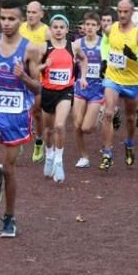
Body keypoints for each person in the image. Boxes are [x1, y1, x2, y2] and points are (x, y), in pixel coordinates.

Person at [0, 0, 43, 238]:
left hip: (17, 116)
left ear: (21, 21)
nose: (6, 23)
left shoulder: (30, 49)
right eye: (2, 18)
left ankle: (9, 218)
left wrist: (23, 76)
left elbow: (37, 88)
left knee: (11, 169)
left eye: (11, 19)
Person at [98, 0, 138, 170]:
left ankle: (129, 144)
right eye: (120, 11)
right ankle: (107, 154)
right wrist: (104, 58)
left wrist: (136, 57)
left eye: (126, 12)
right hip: (113, 78)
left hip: (131, 82)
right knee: (108, 113)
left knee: (130, 118)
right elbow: (104, 41)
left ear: (132, 13)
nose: (122, 15)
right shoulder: (111, 28)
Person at [39, 14, 89, 183]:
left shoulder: (73, 47)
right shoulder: (43, 47)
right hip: (47, 92)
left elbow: (83, 59)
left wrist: (83, 77)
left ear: (67, 29)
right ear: (50, 29)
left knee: (59, 126)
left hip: (66, 91)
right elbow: (32, 66)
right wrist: (43, 66)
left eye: (62, 27)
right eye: (55, 27)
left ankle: (59, 161)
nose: (59, 30)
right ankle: (49, 155)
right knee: (47, 130)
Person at [72, 11, 105, 168]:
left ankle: (100, 114)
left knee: (87, 128)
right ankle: (83, 156)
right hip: (80, 87)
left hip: (97, 90)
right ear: (83, 26)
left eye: (93, 25)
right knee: (77, 125)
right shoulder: (77, 44)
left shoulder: (104, 43)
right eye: (87, 24)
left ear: (98, 27)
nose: (90, 27)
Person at [19, 1, 49, 162]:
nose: (30, 15)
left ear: (41, 14)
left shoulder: (46, 32)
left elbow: (52, 52)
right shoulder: (20, 28)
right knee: (19, 110)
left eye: (34, 12)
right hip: (20, 75)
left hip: (38, 77)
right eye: (29, 12)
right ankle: (18, 140)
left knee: (36, 112)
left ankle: (39, 141)